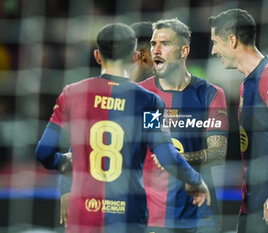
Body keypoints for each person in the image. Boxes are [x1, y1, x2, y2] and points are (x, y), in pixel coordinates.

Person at [35, 23, 211, 233]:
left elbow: (45, 152)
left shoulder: (73, 94)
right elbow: (165, 153)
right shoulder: (149, 101)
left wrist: (64, 163)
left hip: (85, 214)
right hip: (129, 214)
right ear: (134, 56)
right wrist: (194, 180)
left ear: (97, 56)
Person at [209, 9, 268, 233]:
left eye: (216, 42)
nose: (213, 50)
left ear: (232, 40)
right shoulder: (247, 82)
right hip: (254, 202)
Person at [59, 21, 155, 223]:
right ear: (140, 56)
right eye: (154, 51)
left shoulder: (156, 100)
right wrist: (66, 190)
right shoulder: (108, 96)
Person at [141, 19, 229, 233]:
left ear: (184, 51)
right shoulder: (141, 95)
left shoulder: (211, 94)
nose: (156, 50)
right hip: (154, 216)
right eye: (153, 44)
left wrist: (174, 160)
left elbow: (218, 153)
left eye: (165, 44)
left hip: (200, 213)